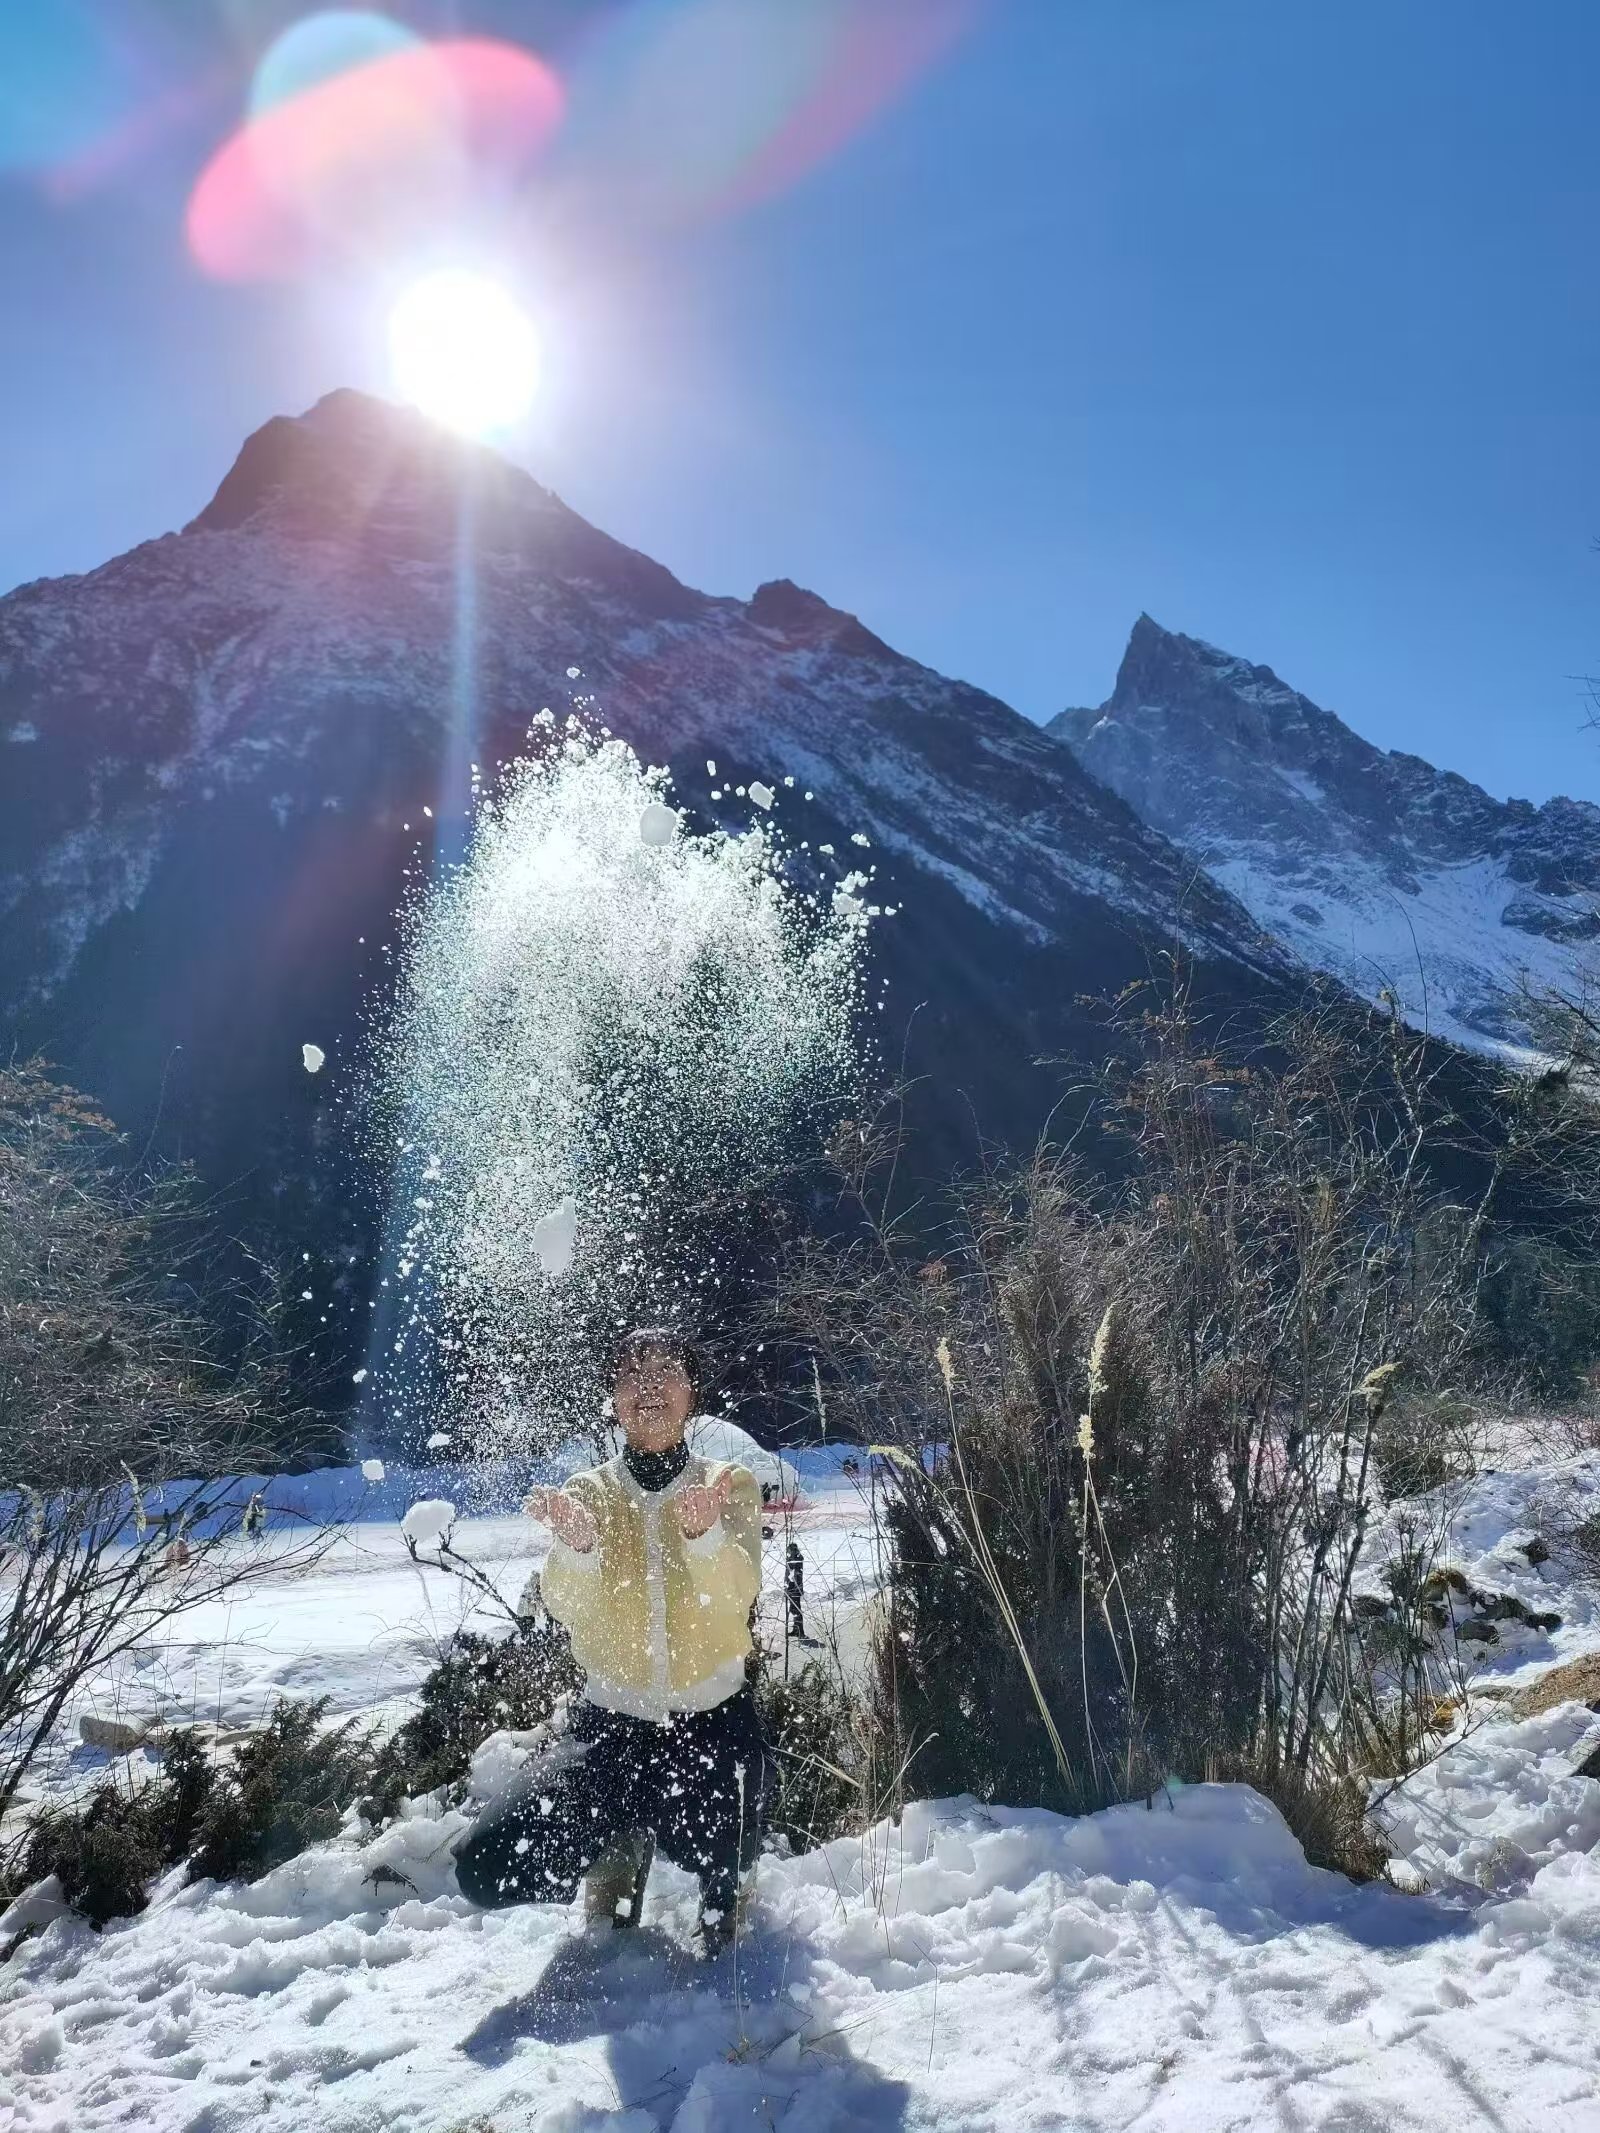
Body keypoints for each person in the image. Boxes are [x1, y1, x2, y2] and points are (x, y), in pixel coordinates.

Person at [453, 1328, 770, 1957]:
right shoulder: (589, 1493)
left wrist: (704, 1535)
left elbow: (737, 1596)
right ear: (613, 1398)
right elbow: (567, 1607)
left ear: (692, 1391)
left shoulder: (728, 1485)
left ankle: (719, 1874)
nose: (649, 1389)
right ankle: (620, 1839)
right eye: (632, 1376)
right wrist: (580, 1548)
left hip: (712, 1728)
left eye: (666, 1373)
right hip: (610, 1730)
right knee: (485, 1868)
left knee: (725, 1918)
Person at [785, 1539, 806, 1643]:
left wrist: (793, 1587)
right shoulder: (791, 1559)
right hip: (790, 1587)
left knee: (796, 1609)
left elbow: (794, 1575)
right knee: (793, 1609)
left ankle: (800, 1631)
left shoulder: (796, 1560)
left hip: (795, 1588)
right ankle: (795, 1629)